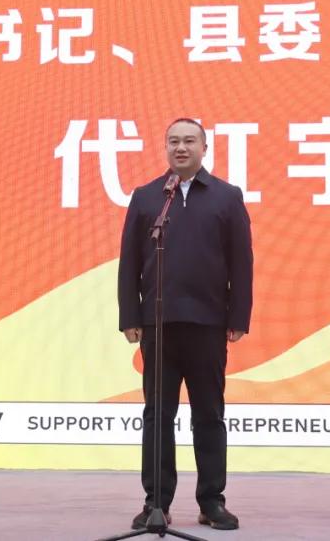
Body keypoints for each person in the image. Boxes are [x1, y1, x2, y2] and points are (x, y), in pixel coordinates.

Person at [118, 118, 253, 531]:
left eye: (189, 141)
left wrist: (238, 316)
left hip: (208, 323)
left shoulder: (227, 197)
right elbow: (129, 262)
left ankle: (212, 501)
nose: (181, 147)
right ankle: (155, 502)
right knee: (158, 416)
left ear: (204, 148)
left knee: (209, 414)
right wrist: (130, 316)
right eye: (173, 141)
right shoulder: (147, 197)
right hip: (158, 326)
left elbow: (241, 261)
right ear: (165, 148)